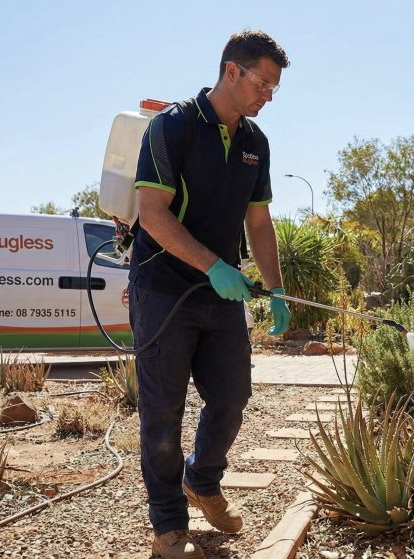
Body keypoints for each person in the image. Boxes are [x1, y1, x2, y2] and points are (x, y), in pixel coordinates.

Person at [128, 29, 291, 559]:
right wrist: (213, 265)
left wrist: (276, 288)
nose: (268, 95)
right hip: (162, 290)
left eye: (274, 88)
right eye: (262, 84)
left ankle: (202, 480)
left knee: (231, 396)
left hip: (222, 296)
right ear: (231, 71)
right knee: (163, 412)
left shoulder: (255, 143)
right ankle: (169, 528)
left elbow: (259, 222)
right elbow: (152, 215)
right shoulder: (172, 127)